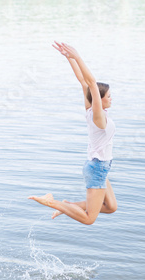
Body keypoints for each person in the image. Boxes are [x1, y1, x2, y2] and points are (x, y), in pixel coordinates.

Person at [28, 42, 117, 225]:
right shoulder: (98, 116)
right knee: (88, 219)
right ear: (99, 100)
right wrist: (77, 56)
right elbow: (90, 83)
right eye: (108, 96)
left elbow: (83, 82)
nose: (111, 98)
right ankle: (53, 203)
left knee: (111, 207)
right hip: (98, 168)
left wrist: (70, 59)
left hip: (99, 166)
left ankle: (68, 206)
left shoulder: (90, 110)